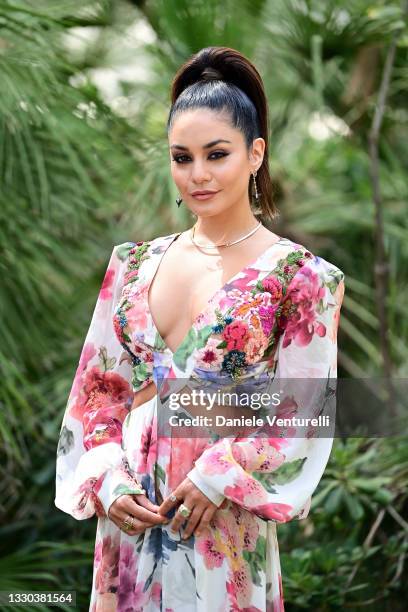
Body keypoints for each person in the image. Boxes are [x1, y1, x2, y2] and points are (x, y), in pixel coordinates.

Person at [55, 46, 345, 612]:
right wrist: (107, 477)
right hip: (130, 518)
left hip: (222, 518)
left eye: (217, 154)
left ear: (255, 153)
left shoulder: (302, 276)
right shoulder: (133, 264)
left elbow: (306, 413)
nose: (198, 174)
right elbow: (98, 394)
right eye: (181, 157)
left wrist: (222, 475)